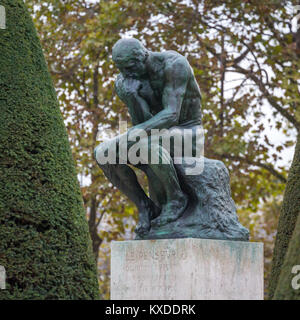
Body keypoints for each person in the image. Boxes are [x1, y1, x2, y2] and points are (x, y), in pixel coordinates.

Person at [95, 38, 202, 236]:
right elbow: (142, 121)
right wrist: (132, 98)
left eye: (128, 67)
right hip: (154, 134)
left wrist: (134, 135)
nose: (124, 74)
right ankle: (145, 207)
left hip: (188, 132)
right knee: (102, 153)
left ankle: (176, 199)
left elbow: (171, 114)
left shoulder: (174, 65)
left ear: (142, 57)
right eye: (120, 68)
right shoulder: (126, 81)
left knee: (143, 143)